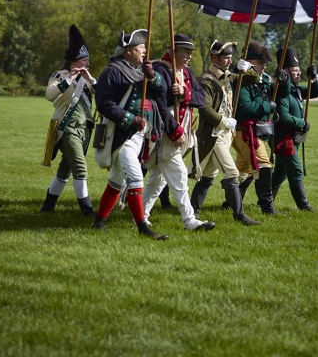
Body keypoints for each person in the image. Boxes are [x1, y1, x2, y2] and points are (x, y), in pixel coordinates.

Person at [92, 29, 169, 240]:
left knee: (116, 180)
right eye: (141, 47)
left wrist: (152, 74)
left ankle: (98, 221)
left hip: (139, 135)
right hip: (121, 133)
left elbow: (161, 90)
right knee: (135, 178)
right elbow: (104, 103)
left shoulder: (140, 70)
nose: (145, 51)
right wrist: (131, 119)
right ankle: (142, 226)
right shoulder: (113, 71)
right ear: (128, 50)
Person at [142, 34, 216, 232]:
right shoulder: (161, 71)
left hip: (182, 131)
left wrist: (185, 93)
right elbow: (160, 107)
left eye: (190, 52)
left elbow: (201, 99)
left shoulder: (187, 73)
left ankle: (140, 215)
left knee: (158, 179)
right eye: (185, 51)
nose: (189, 56)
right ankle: (189, 220)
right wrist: (175, 132)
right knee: (180, 175)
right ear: (173, 51)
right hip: (166, 133)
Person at [190, 40, 260, 226]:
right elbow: (204, 109)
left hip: (225, 134)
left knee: (207, 177)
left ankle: (192, 211)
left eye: (230, 58)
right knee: (231, 172)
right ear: (215, 58)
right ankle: (239, 215)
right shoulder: (206, 80)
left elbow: (253, 79)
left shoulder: (229, 76)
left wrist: (249, 68)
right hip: (214, 134)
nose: (230, 61)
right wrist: (223, 121)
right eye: (226, 58)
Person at [40, 25, 96, 216]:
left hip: (84, 129)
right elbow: (49, 95)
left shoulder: (88, 78)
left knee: (65, 170)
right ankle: (87, 210)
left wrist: (92, 80)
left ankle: (48, 206)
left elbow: (102, 94)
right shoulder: (59, 76)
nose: (88, 61)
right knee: (80, 166)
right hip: (66, 128)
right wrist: (68, 81)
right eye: (84, 58)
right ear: (73, 61)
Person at [272, 47, 318, 211]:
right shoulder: (281, 92)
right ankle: (303, 205)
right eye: (295, 70)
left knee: (281, 172)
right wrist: (302, 123)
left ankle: (266, 200)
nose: (298, 73)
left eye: (299, 70)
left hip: (294, 138)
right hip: (283, 138)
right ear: (285, 71)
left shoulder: (296, 90)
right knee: (296, 171)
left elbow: (314, 92)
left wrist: (314, 78)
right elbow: (283, 116)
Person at [231, 41, 278, 215]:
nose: (263, 68)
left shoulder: (257, 80)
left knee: (243, 170)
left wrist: (284, 80)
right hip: (244, 131)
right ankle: (267, 206)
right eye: (260, 64)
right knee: (263, 165)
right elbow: (244, 107)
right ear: (249, 62)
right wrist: (267, 106)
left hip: (252, 131)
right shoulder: (242, 78)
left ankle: (231, 201)